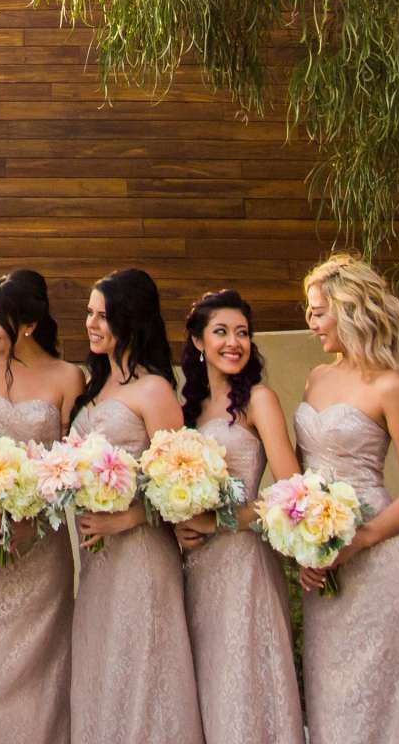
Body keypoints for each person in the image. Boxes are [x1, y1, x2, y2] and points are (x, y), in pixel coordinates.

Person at [296, 253, 399, 744]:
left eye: (318, 311)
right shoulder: (316, 378)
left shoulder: (390, 387)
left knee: (384, 712)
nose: (311, 322)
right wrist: (304, 544)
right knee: (335, 710)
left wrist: (356, 541)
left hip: (382, 572)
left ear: (349, 308)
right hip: (326, 573)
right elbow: (301, 479)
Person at [69, 268, 203, 744]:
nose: (91, 323)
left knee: (142, 666)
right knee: (103, 669)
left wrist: (129, 517)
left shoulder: (156, 391)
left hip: (142, 556)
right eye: (89, 313)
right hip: (97, 562)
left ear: (130, 319)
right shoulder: (92, 387)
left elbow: (181, 481)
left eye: (103, 315)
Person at [0, 270, 83, 744]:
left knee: (39, 672)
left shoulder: (69, 377)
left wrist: (33, 517)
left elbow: (70, 465)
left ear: (26, 322)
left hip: (41, 546)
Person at [172, 289, 303, 743]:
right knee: (211, 686)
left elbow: (292, 494)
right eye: (221, 332)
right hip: (196, 569)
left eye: (243, 333)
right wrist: (181, 524)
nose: (234, 343)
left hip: (245, 566)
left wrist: (219, 521)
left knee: (247, 682)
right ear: (198, 342)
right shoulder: (188, 410)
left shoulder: (258, 401)